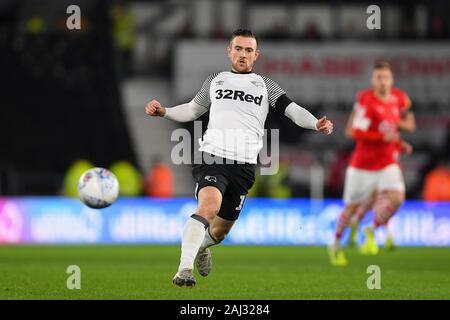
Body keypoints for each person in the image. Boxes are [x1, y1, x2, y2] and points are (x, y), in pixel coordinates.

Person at [145, 29, 333, 287]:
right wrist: (164, 112)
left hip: (244, 166)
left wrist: (315, 123)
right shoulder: (215, 80)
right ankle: (184, 269)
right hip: (213, 156)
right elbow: (192, 110)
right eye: (238, 49)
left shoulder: (266, 85)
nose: (243, 54)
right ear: (229, 51)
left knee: (219, 232)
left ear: (256, 55)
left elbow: (292, 110)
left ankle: (201, 247)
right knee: (208, 207)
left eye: (248, 50)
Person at [329, 60, 415, 266]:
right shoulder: (366, 101)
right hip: (363, 165)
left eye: (386, 77)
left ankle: (372, 228)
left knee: (397, 198)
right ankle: (335, 243)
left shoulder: (398, 99)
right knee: (351, 208)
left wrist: (399, 143)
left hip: (388, 163)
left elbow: (401, 127)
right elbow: (355, 132)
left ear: (391, 79)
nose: (383, 81)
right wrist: (381, 138)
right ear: (372, 80)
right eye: (379, 77)